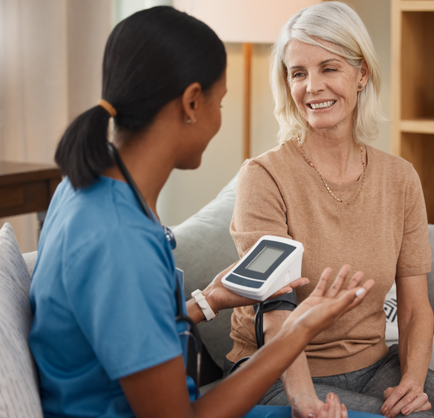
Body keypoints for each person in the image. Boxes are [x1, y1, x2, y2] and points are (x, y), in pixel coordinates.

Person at [27, 6, 375, 418]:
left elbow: (121, 323)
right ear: (192, 102)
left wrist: (207, 300)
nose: (219, 121)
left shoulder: (87, 188)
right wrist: (297, 331)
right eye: (221, 103)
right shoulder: (119, 239)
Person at [225, 2, 434, 418]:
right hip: (277, 372)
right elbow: (276, 310)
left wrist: (412, 383)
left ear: (361, 74)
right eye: (298, 73)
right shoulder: (264, 176)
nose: (312, 86)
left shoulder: (400, 178)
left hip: (373, 364)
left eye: (328, 68)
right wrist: (303, 400)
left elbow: (415, 307)